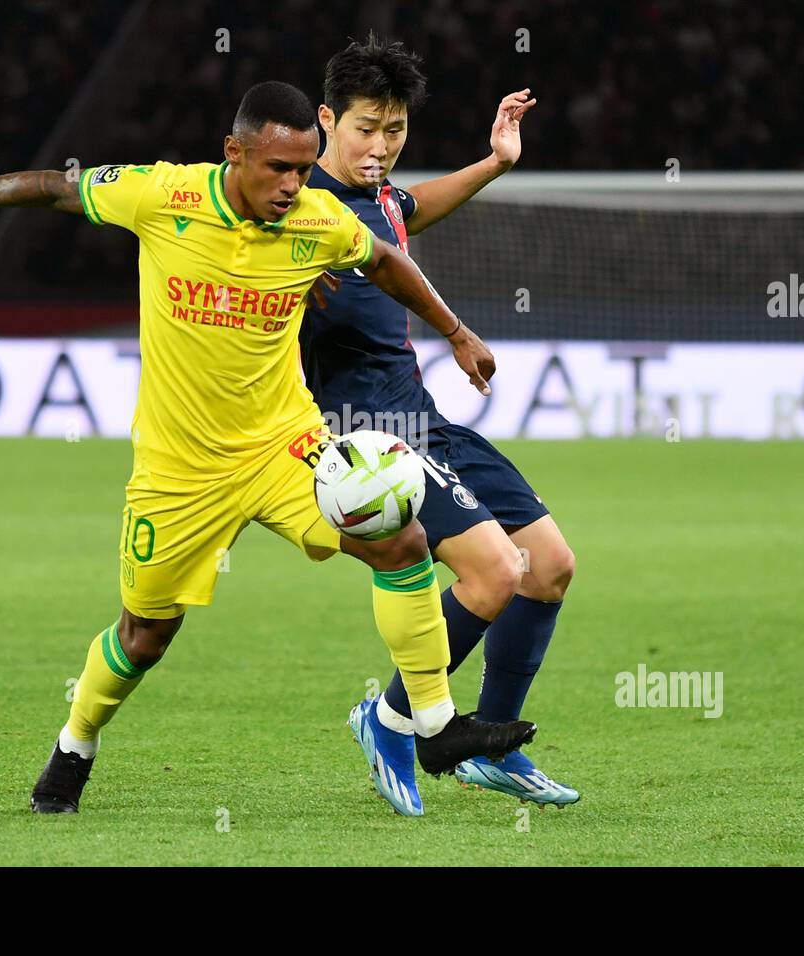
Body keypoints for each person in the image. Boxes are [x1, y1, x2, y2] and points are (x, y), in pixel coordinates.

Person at [0, 80, 535, 814]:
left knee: (400, 537)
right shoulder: (165, 197)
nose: (293, 185)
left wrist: (457, 333)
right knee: (145, 635)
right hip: (179, 471)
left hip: (285, 446)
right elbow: (56, 188)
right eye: (278, 168)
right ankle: (76, 744)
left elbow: (384, 260)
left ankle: (435, 726)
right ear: (234, 152)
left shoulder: (318, 220)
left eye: (304, 167)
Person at [300, 37, 578, 815]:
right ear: (326, 120)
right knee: (495, 573)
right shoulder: (300, 219)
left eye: (394, 130)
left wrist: (494, 163)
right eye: (364, 129)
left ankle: (491, 744)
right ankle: (389, 723)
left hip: (425, 419)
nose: (380, 147)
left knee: (549, 564)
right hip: (369, 439)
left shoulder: (382, 197)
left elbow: (415, 205)